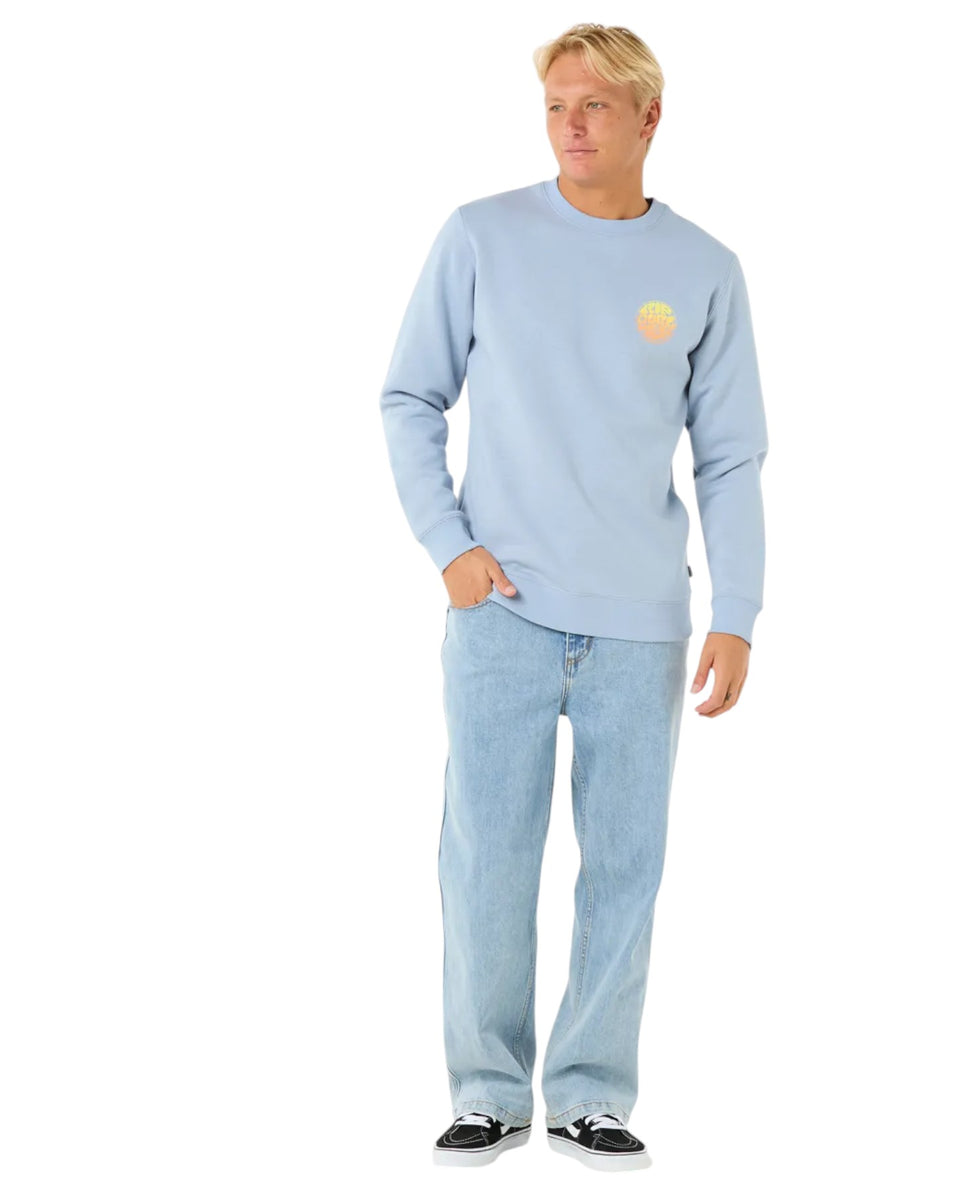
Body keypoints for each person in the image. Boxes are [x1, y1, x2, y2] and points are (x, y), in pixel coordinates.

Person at [379, 23, 768, 1172]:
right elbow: (409, 397)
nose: (571, 125)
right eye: (556, 104)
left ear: (651, 117)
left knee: (625, 867)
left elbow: (731, 457)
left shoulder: (704, 269)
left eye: (595, 105)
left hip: (640, 624)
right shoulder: (481, 237)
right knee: (486, 859)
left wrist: (737, 611)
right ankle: (488, 1090)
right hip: (500, 611)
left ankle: (594, 1091)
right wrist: (448, 547)